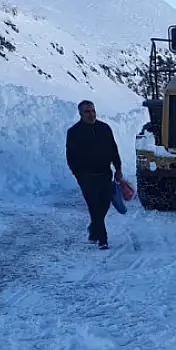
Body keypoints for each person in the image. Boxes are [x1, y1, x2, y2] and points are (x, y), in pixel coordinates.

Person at [66, 100, 123, 249]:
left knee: (104, 204)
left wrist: (118, 168)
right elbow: (70, 155)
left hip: (105, 173)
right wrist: (77, 173)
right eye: (87, 111)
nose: (91, 114)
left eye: (93, 111)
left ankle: (94, 228)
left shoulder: (104, 128)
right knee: (94, 206)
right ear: (80, 114)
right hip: (86, 176)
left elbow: (113, 149)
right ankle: (102, 239)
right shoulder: (74, 132)